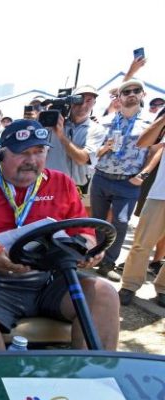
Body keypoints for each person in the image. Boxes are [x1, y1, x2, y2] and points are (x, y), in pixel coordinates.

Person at [0, 119, 119, 351]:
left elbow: (84, 232)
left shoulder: (62, 183)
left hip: (49, 279)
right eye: (23, 153)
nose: (32, 160)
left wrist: (89, 248)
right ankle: (2, 384)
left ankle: (92, 378)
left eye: (39, 151)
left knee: (105, 293)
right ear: (0, 156)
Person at [91, 78, 155, 281]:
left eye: (137, 90)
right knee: (98, 220)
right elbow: (93, 153)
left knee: (120, 223)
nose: (132, 94)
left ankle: (109, 262)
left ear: (143, 95)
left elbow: (155, 152)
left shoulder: (151, 124)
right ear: (119, 97)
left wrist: (143, 175)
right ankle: (96, 255)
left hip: (128, 183)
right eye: (126, 92)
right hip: (101, 177)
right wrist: (106, 147)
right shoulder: (105, 121)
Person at [118, 112, 165, 307]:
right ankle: (129, 285)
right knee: (141, 243)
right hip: (161, 193)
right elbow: (142, 142)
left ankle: (163, 288)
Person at [44, 85, 106, 210]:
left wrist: (61, 136)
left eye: (88, 100)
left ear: (94, 103)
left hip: (76, 188)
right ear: (70, 102)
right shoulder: (53, 123)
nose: (83, 104)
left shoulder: (97, 129)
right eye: (79, 100)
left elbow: (82, 159)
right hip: (48, 185)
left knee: (71, 226)